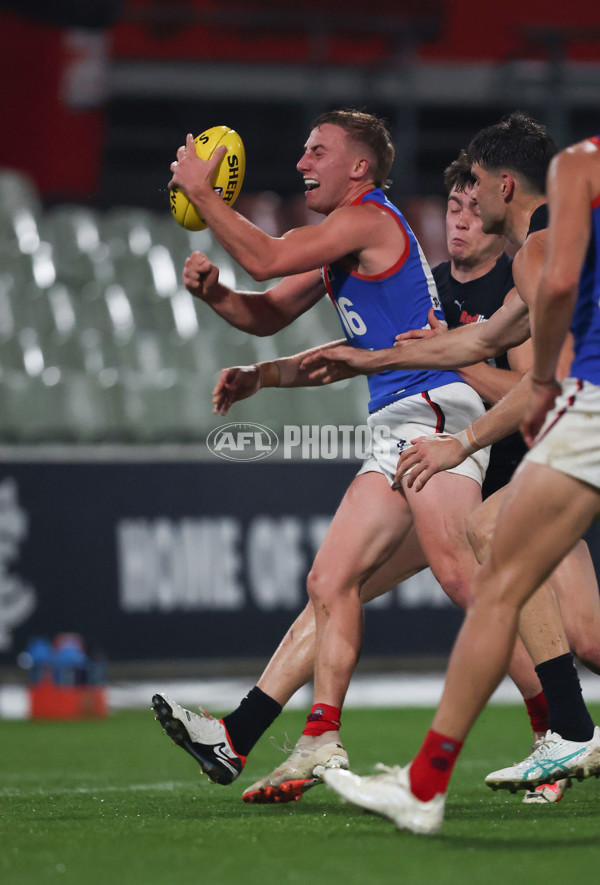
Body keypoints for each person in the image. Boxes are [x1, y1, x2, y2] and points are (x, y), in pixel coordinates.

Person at [152, 109, 545, 803]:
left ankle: (559, 724)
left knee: (458, 576)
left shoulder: (369, 219)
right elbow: (268, 309)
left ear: (359, 167)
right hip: (400, 416)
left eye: (318, 150)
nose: (302, 161)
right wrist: (217, 297)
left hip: (433, 408)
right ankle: (301, 736)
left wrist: (206, 195)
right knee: (331, 582)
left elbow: (269, 256)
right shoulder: (343, 245)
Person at [322, 128, 600, 835]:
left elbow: (552, 300)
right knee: (560, 607)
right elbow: (478, 341)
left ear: (504, 186)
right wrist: (370, 360)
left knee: (490, 549)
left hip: (591, 407)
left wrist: (527, 394)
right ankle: (560, 727)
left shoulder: (543, 239)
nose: (465, 196)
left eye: (473, 182)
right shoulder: (536, 248)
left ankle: (459, 769)